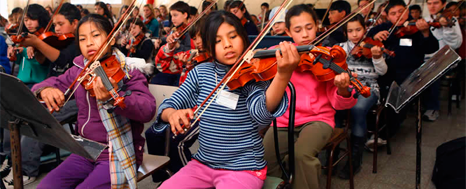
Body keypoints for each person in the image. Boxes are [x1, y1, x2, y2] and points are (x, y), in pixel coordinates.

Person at [155, 10, 298, 189]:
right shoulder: (200, 73)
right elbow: (168, 105)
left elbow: (261, 116)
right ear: (208, 45)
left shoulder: (251, 74)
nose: (227, 45)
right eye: (218, 40)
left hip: (244, 168)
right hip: (202, 164)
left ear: (244, 37)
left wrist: (282, 76)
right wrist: (171, 114)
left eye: (233, 36)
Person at [34, 14, 156, 189]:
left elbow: (148, 109)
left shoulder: (129, 72)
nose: (89, 43)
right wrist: (45, 90)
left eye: (96, 35)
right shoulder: (79, 69)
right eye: (82, 39)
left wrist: (115, 97)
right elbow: (51, 83)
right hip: (85, 149)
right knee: (46, 186)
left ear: (111, 39)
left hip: (116, 152)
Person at [262, 4, 358, 189]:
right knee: (264, 155)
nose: (305, 35)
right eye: (298, 30)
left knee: (300, 155)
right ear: (289, 31)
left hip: (318, 120)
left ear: (317, 26)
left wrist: (343, 90)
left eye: (309, 27)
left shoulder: (328, 57)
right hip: (284, 120)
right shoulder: (282, 53)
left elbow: (340, 103)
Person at [365, 0, 439, 148]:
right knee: (378, 96)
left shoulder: (416, 27)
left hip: (410, 73)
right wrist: (374, 38)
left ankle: (385, 133)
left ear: (407, 12)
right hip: (385, 73)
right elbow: (366, 42)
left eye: (401, 12)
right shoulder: (383, 28)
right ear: (387, 15)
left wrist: (425, 32)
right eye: (393, 13)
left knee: (397, 97)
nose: (398, 16)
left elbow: (432, 48)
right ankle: (374, 128)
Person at [334, 14, 387, 179]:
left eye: (358, 29)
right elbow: (333, 70)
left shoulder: (373, 46)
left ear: (365, 29)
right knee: (333, 108)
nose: (355, 34)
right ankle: (333, 153)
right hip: (347, 85)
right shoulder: (340, 48)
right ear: (345, 33)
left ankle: (354, 160)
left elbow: (382, 72)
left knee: (357, 109)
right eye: (350, 31)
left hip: (369, 87)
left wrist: (377, 57)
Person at [421, 0, 463, 121]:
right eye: (429, 3)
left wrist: (447, 28)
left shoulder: (451, 20)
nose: (432, 6)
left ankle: (433, 108)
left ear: (443, 4)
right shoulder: (425, 19)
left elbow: (456, 43)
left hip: (445, 58)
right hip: (427, 58)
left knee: (433, 71)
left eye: (436, 3)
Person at [7, 4, 50, 88]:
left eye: (32, 19)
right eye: (26, 20)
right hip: (21, 81)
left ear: (40, 19)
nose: (28, 23)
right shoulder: (24, 36)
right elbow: (20, 62)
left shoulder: (45, 37)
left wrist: (31, 47)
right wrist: (14, 53)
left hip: (37, 84)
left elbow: (40, 61)